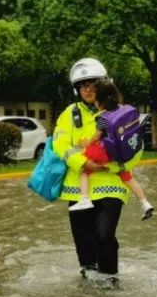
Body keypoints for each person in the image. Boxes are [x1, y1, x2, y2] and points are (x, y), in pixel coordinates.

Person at [52, 58, 142, 284]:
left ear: (104, 85)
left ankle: (111, 279)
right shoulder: (69, 114)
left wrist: (109, 166)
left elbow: (136, 148)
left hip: (112, 185)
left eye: (92, 84)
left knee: (104, 235)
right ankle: (89, 281)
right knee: (83, 240)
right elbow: (60, 144)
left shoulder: (123, 113)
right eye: (83, 86)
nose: (88, 89)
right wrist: (82, 163)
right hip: (77, 189)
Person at [70, 78, 155, 220]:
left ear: (99, 100)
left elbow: (97, 137)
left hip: (106, 152)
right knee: (128, 177)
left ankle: (84, 199)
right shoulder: (124, 110)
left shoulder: (103, 117)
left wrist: (86, 143)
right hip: (123, 149)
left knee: (84, 171)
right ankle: (144, 202)